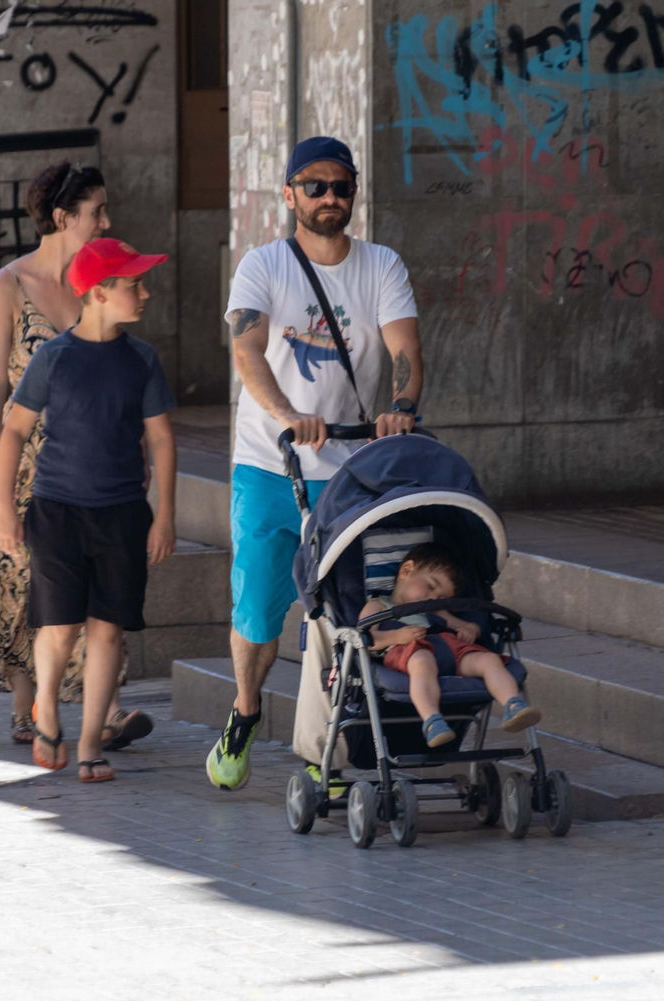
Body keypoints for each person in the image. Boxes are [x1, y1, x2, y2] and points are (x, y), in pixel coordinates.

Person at [205, 136, 425, 791]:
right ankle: (246, 711)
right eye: (316, 187)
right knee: (257, 610)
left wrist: (402, 404)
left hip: (348, 472)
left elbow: (404, 347)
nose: (331, 198)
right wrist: (285, 417)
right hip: (268, 467)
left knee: (337, 615)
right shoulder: (263, 265)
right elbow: (248, 353)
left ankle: (319, 750)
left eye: (342, 187)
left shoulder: (381, 265)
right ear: (290, 194)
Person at [0, 162, 152, 752]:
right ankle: (28, 706)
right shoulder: (9, 284)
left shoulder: (99, 282)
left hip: (94, 455)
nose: (106, 220)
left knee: (89, 584)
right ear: (64, 217)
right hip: (25, 456)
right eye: (96, 211)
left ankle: (100, 709)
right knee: (20, 586)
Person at [0, 238, 177, 783]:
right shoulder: (54, 358)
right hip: (57, 512)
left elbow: (162, 441)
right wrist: (6, 509)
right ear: (98, 292)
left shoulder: (142, 359)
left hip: (122, 514)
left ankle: (92, 743)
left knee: (108, 632)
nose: (144, 293)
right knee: (59, 626)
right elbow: (14, 431)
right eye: (133, 284)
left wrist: (165, 515)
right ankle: (45, 704)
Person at [361, 542, 541, 745]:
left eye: (442, 598)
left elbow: (465, 625)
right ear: (406, 570)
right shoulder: (377, 605)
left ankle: (513, 705)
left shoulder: (434, 609)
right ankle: (432, 721)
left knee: (489, 659)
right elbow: (365, 640)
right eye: (430, 586)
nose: (434, 598)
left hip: (446, 648)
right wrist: (396, 637)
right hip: (407, 652)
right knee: (422, 660)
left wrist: (469, 629)